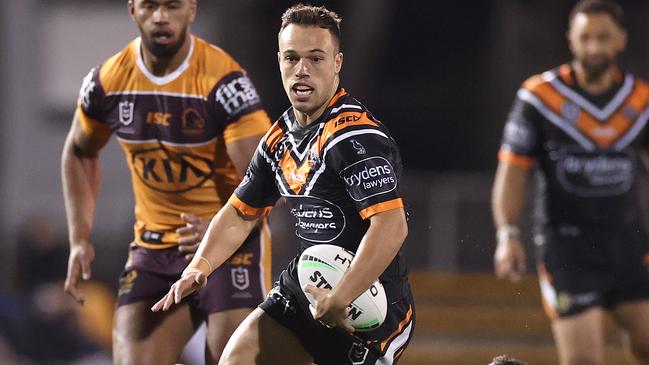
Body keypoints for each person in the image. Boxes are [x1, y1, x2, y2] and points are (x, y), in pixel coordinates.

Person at [152, 4, 415, 365]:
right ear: (279, 61)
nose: (302, 69)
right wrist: (200, 266)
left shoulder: (355, 139)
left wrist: (340, 298)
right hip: (307, 283)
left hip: (368, 306)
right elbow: (240, 213)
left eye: (315, 58)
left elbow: (391, 226)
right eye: (291, 58)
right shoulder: (279, 138)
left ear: (337, 63)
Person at [61, 0, 273, 363]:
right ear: (132, 10)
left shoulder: (223, 82)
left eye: (172, 6)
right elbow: (79, 152)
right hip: (154, 248)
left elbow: (269, 175)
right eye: (150, 6)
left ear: (191, 9)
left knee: (230, 359)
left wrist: (220, 228)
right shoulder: (108, 81)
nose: (160, 16)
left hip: (230, 250)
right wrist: (80, 238)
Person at [492, 1, 649, 364]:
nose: (594, 47)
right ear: (571, 40)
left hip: (629, 243)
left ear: (621, 41)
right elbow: (512, 170)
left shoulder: (640, 100)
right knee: (583, 360)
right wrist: (507, 234)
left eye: (603, 37)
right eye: (585, 37)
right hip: (568, 249)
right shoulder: (539, 97)